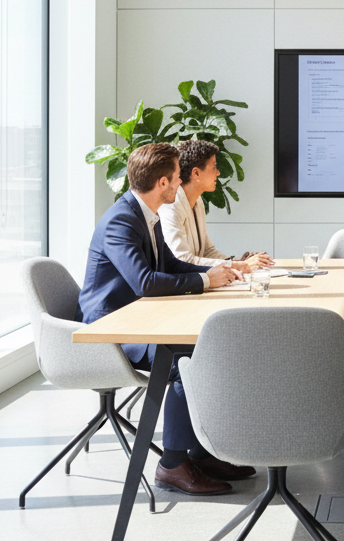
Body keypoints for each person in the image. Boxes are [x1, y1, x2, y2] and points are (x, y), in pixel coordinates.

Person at [75, 142, 253, 495]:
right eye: (176, 177)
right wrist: (205, 281)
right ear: (162, 183)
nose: (180, 182)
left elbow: (169, 265)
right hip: (112, 329)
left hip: (139, 319)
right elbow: (144, 281)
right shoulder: (121, 220)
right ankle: (172, 465)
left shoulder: (147, 213)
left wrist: (216, 273)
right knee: (187, 360)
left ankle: (200, 455)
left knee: (202, 351)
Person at [159, 139, 273, 270]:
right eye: (214, 167)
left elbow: (207, 251)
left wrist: (237, 261)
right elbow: (182, 260)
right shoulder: (171, 207)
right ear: (196, 173)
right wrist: (239, 266)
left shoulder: (197, 201)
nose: (218, 173)